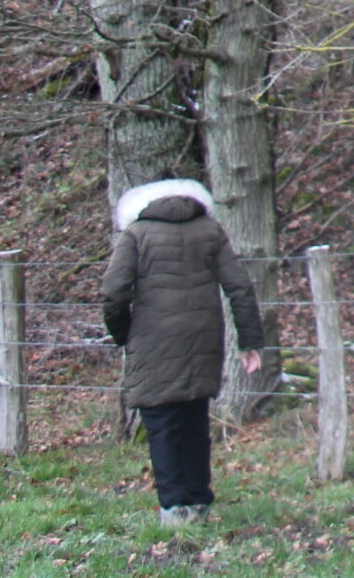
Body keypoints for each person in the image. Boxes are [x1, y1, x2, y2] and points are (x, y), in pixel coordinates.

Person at [101, 176, 266, 529]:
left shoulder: (136, 234)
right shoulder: (209, 230)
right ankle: (199, 502)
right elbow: (240, 287)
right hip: (203, 338)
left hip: (153, 341)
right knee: (194, 420)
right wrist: (250, 341)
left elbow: (114, 292)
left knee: (162, 423)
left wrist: (123, 334)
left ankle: (175, 508)